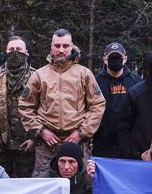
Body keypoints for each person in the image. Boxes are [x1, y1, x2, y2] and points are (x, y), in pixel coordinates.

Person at [19, 29, 106, 175]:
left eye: (65, 46)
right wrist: (41, 131)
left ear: (71, 46)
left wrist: (81, 133)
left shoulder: (84, 74)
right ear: (51, 47)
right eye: (57, 46)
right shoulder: (39, 75)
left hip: (76, 143)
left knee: (78, 185)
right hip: (47, 145)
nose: (61, 50)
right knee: (44, 187)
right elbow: (25, 106)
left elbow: (97, 105)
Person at [0, 36, 37, 177]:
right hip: (0, 146)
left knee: (26, 188)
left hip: (27, 145)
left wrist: (35, 139)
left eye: (19, 49)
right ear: (5, 52)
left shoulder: (37, 78)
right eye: (11, 49)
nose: (15, 53)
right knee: (0, 187)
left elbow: (44, 110)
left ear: (27, 53)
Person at [92, 42, 142, 158]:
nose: (115, 60)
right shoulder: (95, 82)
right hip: (102, 146)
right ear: (105, 59)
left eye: (118, 57)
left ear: (125, 59)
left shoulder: (137, 81)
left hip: (130, 146)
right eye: (112, 58)